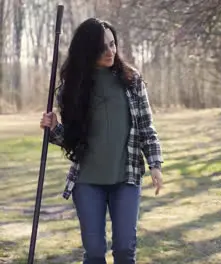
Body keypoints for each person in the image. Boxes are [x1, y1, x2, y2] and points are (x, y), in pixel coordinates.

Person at [39, 18, 164, 263]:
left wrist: (155, 165)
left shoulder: (131, 81)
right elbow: (71, 140)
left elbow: (146, 128)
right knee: (95, 252)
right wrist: (54, 128)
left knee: (125, 250)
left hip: (125, 178)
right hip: (87, 182)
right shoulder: (73, 88)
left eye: (112, 44)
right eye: (102, 47)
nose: (110, 51)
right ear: (87, 50)